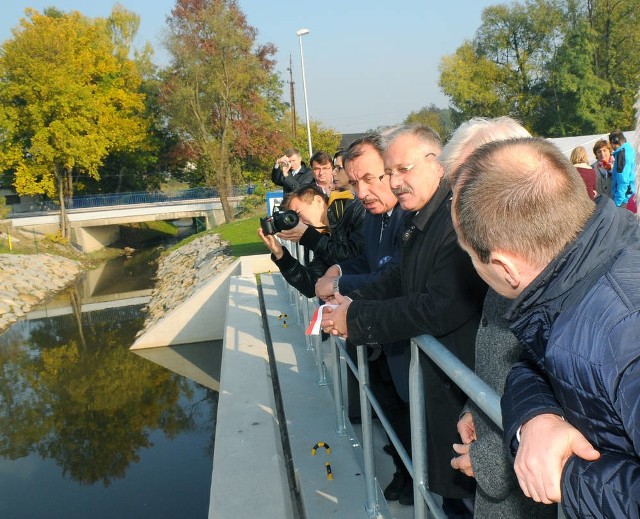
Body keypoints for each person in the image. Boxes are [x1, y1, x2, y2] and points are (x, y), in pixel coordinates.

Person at [451, 137, 640, 518]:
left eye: (470, 255)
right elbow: (532, 363)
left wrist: (566, 473)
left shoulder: (624, 334)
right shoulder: (574, 283)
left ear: (504, 267)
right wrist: (535, 418)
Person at [321, 125, 487, 518]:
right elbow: (398, 276)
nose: (395, 183)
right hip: (441, 390)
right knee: (449, 493)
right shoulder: (421, 217)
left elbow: (438, 306)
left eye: (402, 170)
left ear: (438, 164)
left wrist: (356, 318)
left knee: (466, 499)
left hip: (460, 389)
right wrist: (351, 302)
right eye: (390, 172)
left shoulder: (454, 218)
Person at [439, 117, 556, 519]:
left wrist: (491, 455)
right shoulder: (503, 247)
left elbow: (572, 402)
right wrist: (475, 406)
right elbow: (499, 357)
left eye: (468, 190)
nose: (458, 210)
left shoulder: (552, 274)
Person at [315, 135, 413, 505]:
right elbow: (369, 264)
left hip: (399, 338)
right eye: (354, 183)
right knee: (388, 409)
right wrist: (338, 268)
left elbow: (391, 275)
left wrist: (339, 281)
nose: (362, 191)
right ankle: (404, 472)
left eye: (370, 178)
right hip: (378, 343)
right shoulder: (375, 218)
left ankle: (414, 477)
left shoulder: (409, 215)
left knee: (408, 414)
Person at [258, 184, 363, 298]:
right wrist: (281, 255)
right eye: (293, 219)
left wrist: (310, 237)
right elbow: (312, 286)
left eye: (297, 214)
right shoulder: (323, 235)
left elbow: (358, 261)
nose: (299, 222)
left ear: (318, 201)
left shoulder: (355, 210)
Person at [608, 129, 636, 207]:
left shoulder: (621, 154)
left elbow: (623, 180)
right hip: (632, 196)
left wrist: (617, 203)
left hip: (625, 200)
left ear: (613, 142)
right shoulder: (631, 151)